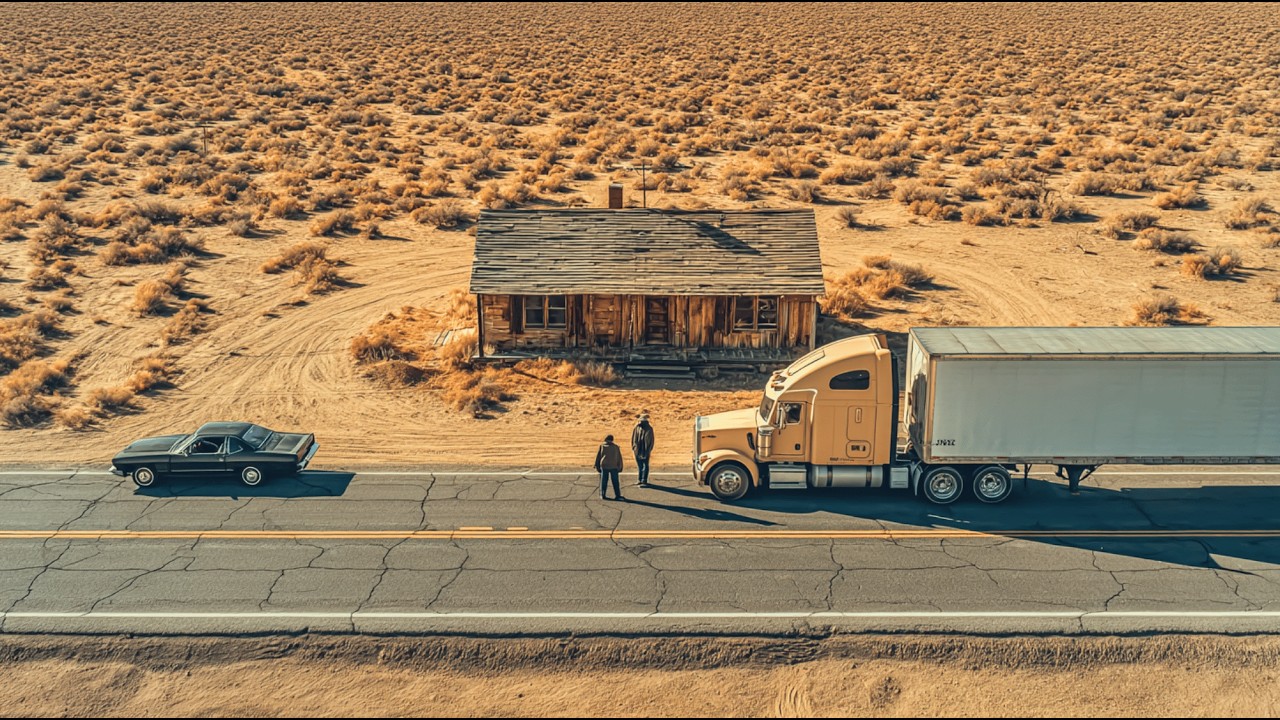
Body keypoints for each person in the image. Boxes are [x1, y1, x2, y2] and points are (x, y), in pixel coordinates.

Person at [594, 434, 624, 501]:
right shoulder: (616, 447)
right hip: (614, 466)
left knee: (604, 481)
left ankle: (603, 494)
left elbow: (598, 457)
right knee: (615, 481)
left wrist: (596, 465)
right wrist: (620, 466)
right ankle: (617, 495)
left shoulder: (602, 446)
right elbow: (619, 458)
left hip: (604, 466)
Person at [631, 412, 655, 487]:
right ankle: (639, 479)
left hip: (645, 450)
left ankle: (644, 480)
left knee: (645, 465)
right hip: (637, 450)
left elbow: (650, 441)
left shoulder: (649, 429)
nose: (640, 422)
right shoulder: (637, 427)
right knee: (640, 466)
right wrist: (634, 448)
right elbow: (633, 438)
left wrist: (648, 450)